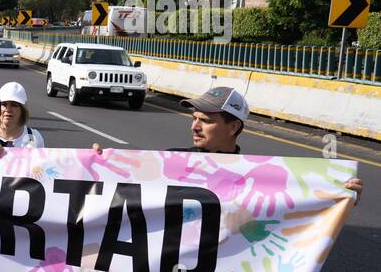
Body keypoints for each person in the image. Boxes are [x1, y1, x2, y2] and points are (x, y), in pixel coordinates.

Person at [91, 85, 363, 199]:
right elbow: (126, 183)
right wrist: (100, 164)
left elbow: (300, 201)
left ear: (233, 127)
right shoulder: (170, 161)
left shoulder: (259, 176)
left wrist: (340, 192)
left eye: (206, 121)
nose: (194, 127)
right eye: (194, 118)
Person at [0, 82, 46, 148]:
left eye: (14, 105)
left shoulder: (33, 137)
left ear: (22, 110)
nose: (8, 109)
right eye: (4, 104)